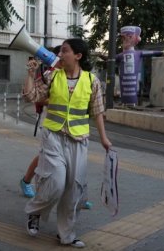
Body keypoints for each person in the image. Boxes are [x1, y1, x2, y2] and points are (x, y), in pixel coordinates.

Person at [22, 38, 112, 248]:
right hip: (53, 136)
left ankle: (66, 235)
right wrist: (29, 73)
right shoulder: (52, 76)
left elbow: (98, 112)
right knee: (55, 182)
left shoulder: (92, 81)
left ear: (78, 56)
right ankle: (34, 212)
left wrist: (105, 139)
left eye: (65, 51)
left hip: (78, 140)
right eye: (61, 51)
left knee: (74, 189)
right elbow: (31, 96)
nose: (60, 55)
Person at [20, 46, 61, 198]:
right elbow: (32, 97)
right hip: (50, 122)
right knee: (44, 157)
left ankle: (77, 195)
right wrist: (56, 101)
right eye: (60, 54)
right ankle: (26, 181)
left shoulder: (75, 75)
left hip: (69, 126)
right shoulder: (48, 75)